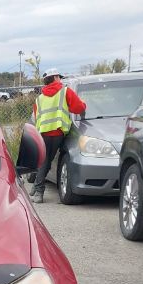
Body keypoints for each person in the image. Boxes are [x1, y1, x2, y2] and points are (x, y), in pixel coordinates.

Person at [31, 68, 86, 203]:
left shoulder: (39, 98)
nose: (61, 79)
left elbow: (35, 117)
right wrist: (84, 104)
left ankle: (35, 185)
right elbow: (78, 108)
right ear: (55, 77)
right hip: (58, 133)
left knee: (45, 160)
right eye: (59, 77)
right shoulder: (65, 91)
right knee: (46, 161)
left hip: (43, 133)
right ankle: (38, 191)